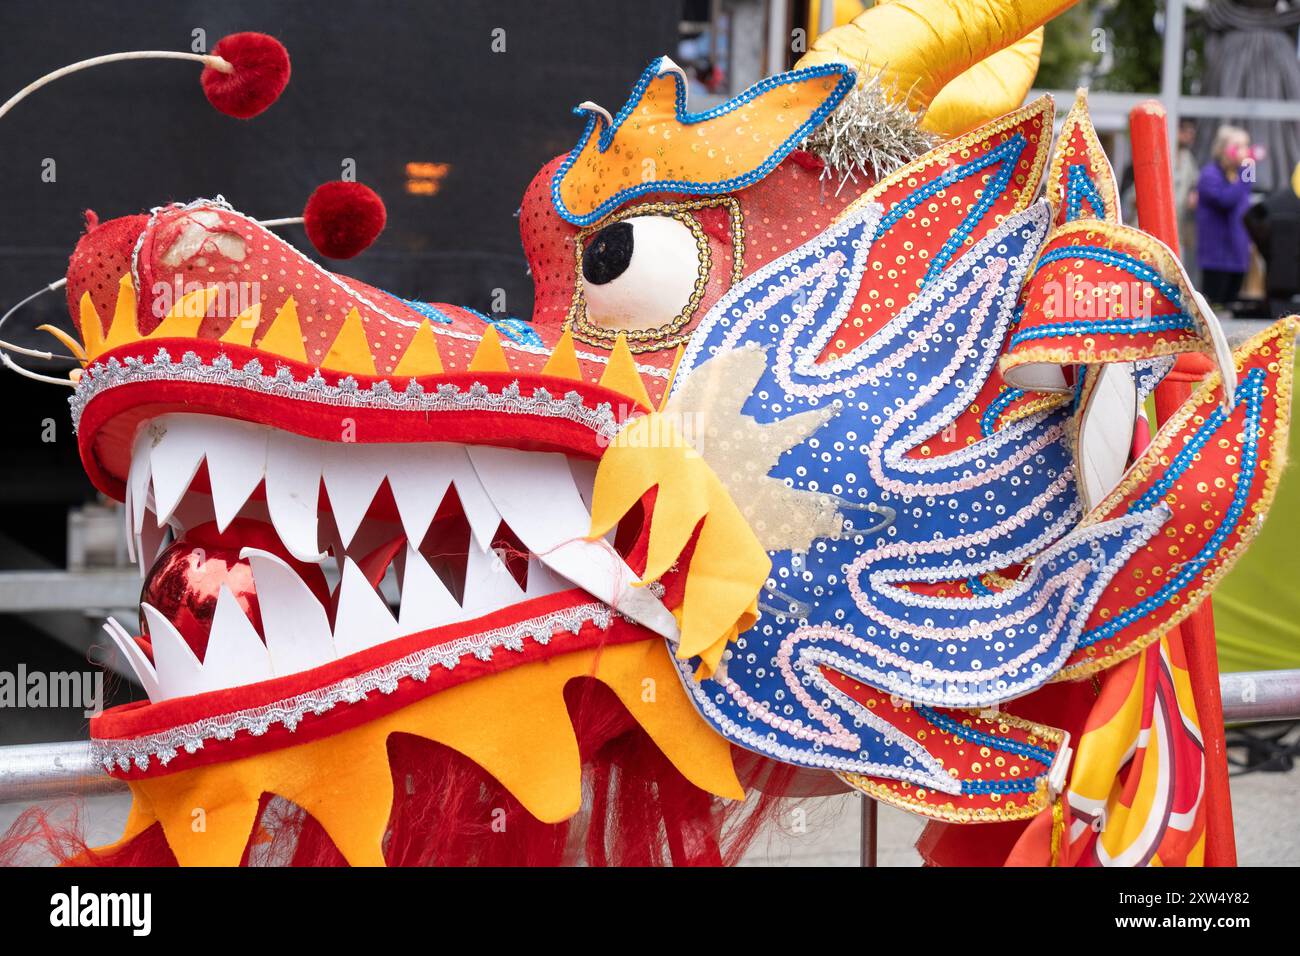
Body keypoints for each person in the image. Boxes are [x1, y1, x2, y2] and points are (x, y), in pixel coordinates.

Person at [1196, 124, 1255, 307]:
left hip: (1237, 253)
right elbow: (1226, 200)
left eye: (1246, 145)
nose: (1244, 151)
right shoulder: (1209, 175)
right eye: (1237, 146)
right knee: (1214, 306)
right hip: (1216, 257)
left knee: (1232, 305)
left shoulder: (1242, 174)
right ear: (1223, 148)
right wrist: (1246, 176)